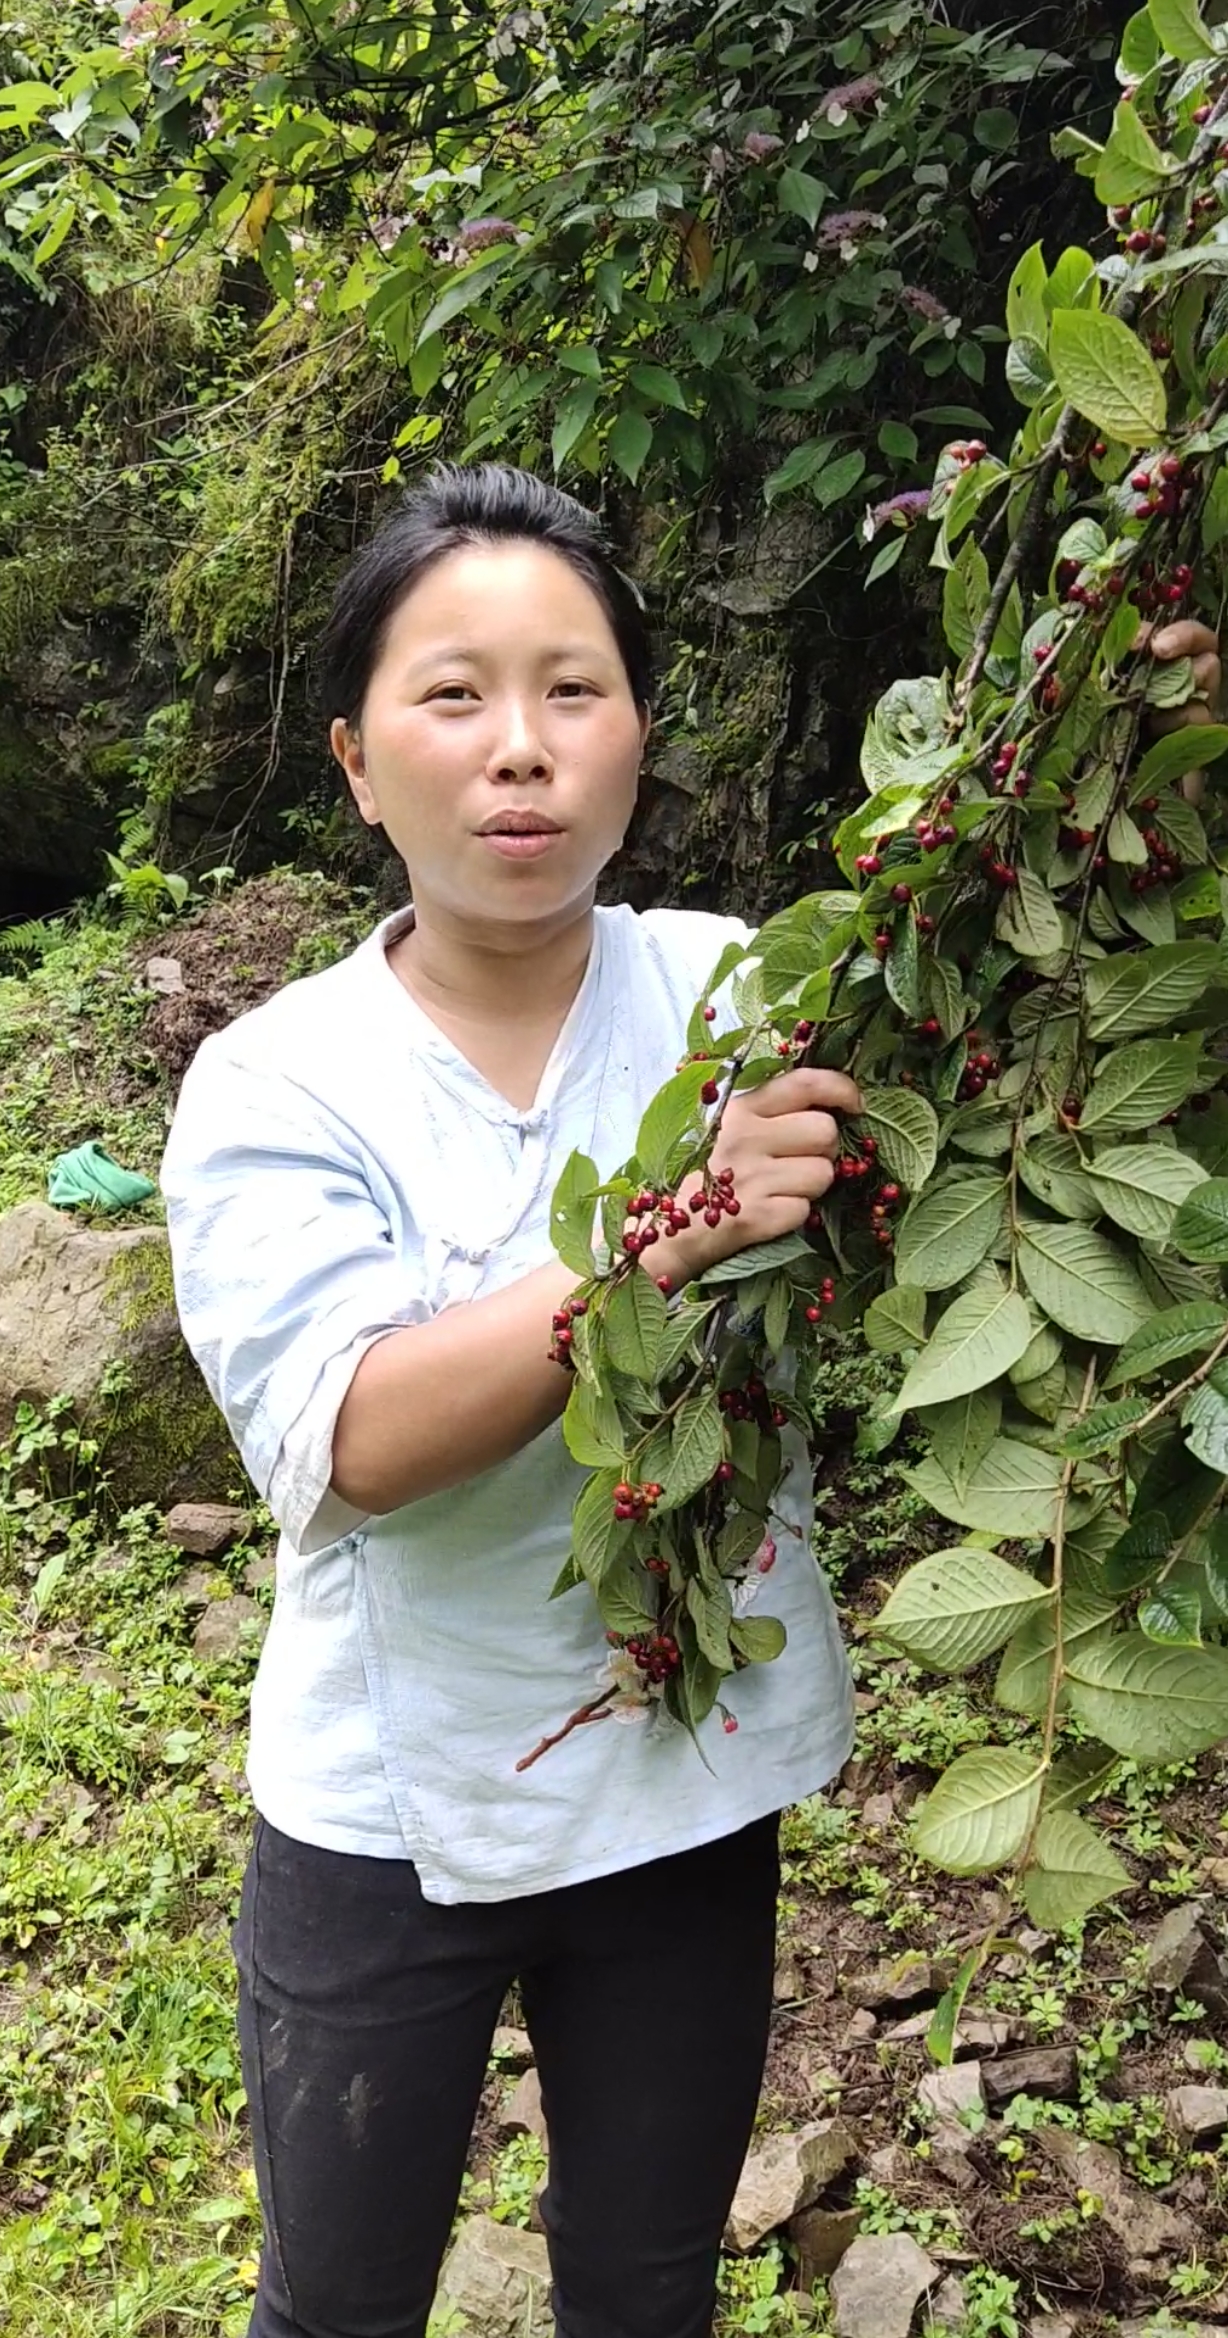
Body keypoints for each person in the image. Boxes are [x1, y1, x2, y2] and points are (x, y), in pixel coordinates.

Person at [159, 462, 1221, 2338]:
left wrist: (1136, 769)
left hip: (681, 1773)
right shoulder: (278, 1081)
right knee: (336, 2305)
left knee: (649, 2283)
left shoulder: (741, 992)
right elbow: (359, 1438)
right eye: (454, 693)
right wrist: (669, 1235)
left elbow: (1002, 1056)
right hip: (388, 1812)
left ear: (638, 736)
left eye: (573, 689)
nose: (521, 746)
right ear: (354, 761)